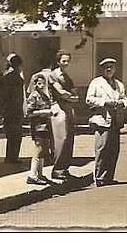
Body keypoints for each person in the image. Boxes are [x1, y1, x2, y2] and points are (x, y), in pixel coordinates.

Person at [85, 57, 127, 187]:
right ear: (102, 69)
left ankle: (109, 177)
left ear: (115, 69)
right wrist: (104, 102)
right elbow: (89, 99)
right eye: (106, 67)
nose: (109, 69)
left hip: (116, 120)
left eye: (111, 67)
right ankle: (99, 178)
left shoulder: (119, 84)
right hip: (102, 119)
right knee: (102, 149)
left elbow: (125, 99)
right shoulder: (96, 83)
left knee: (114, 150)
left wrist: (122, 103)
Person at [47, 50, 79, 181]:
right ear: (58, 61)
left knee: (69, 139)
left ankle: (65, 168)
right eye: (63, 61)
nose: (66, 63)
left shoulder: (67, 77)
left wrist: (72, 97)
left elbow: (74, 94)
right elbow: (61, 93)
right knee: (62, 139)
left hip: (68, 108)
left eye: (68, 61)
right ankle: (58, 169)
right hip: (58, 108)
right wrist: (72, 97)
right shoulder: (53, 75)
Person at [23, 71, 57, 186]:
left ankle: (40, 174)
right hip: (38, 126)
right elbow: (28, 113)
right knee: (38, 150)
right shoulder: (34, 96)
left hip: (46, 126)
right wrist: (44, 112)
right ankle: (32, 175)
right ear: (35, 84)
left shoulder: (45, 96)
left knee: (43, 151)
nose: (41, 86)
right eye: (39, 84)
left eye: (43, 83)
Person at [0, 53, 26, 164]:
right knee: (16, 135)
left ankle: (9, 156)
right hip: (15, 109)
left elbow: (3, 95)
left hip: (8, 109)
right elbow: (18, 96)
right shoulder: (17, 79)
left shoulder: (6, 77)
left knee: (10, 135)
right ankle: (13, 156)